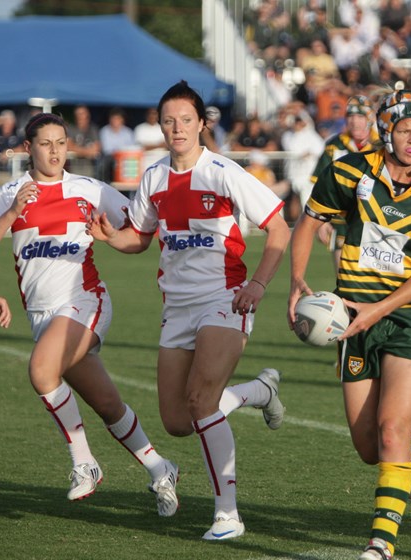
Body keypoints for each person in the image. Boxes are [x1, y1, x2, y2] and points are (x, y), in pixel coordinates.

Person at [87, 81, 291, 540]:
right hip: (175, 307)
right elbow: (140, 237)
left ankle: (227, 515)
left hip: (225, 297)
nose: (177, 128)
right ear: (159, 126)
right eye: (168, 120)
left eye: (186, 119)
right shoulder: (154, 177)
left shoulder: (223, 172)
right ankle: (258, 391)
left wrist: (258, 284)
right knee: (179, 421)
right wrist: (109, 237)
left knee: (201, 403)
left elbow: (278, 227)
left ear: (202, 123)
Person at [287, 89, 411, 560]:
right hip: (353, 319)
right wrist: (297, 279)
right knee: (370, 448)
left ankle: (380, 544)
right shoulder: (346, 170)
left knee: (388, 432)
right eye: (405, 130)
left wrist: (379, 308)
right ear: (386, 131)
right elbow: (307, 222)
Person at [0, 113, 180, 515]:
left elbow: (140, 233)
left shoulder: (90, 190)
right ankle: (160, 468)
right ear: (28, 149)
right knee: (107, 404)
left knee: (41, 372)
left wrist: (112, 236)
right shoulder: (11, 191)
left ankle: (85, 464)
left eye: (61, 143)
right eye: (46, 144)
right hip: (42, 316)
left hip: (85, 301)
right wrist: (11, 215)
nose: (55, 152)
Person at [310, 95, 377, 272]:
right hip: (341, 221)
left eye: (360, 117)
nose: (354, 122)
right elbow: (319, 185)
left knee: (373, 281)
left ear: (370, 119)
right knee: (343, 277)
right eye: (350, 116)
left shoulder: (381, 146)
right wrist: (321, 220)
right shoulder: (334, 145)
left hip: (375, 220)